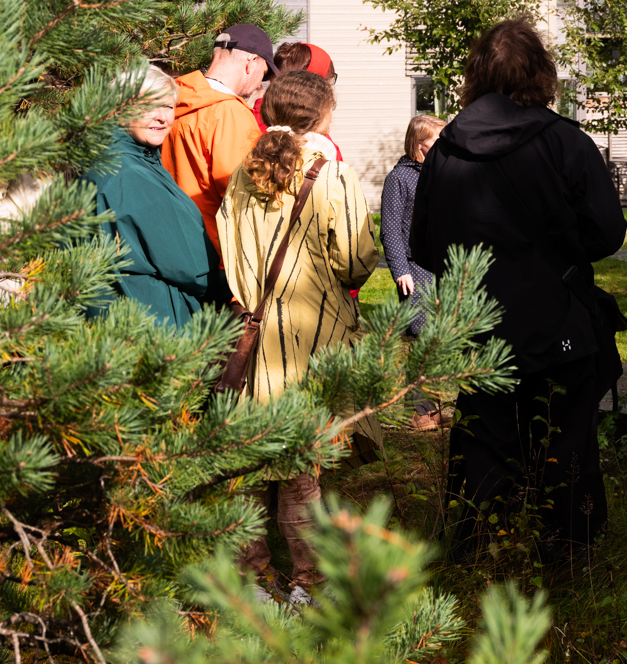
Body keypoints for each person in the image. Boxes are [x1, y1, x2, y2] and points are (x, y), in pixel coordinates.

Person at [409, 18, 627, 559]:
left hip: (481, 320)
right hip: (556, 321)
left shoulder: (446, 150)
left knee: (485, 439)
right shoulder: (565, 142)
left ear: (476, 74)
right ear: (541, 73)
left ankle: (478, 550)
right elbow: (607, 232)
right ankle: (568, 555)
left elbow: (424, 243)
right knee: (566, 438)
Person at [217, 69, 379, 601]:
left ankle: (253, 577)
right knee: (301, 471)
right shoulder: (331, 175)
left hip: (250, 336)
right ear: (324, 114)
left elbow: (229, 253)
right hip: (312, 340)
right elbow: (356, 263)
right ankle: (308, 582)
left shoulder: (243, 174)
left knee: (249, 463)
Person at [80, 64, 225, 327]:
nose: (162, 117)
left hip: (116, 321)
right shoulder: (130, 174)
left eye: (168, 107)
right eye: (149, 105)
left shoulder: (117, 160)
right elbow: (190, 267)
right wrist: (231, 290)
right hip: (152, 323)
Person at [165, 22, 275, 242]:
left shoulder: (171, 100)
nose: (258, 87)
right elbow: (245, 193)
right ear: (250, 62)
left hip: (170, 239)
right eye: (262, 75)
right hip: (214, 248)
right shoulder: (230, 113)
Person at [382, 112, 445, 430]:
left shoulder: (441, 175)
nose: (441, 146)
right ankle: (420, 413)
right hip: (414, 269)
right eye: (435, 140)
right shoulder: (399, 178)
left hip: (441, 269)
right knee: (421, 341)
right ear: (418, 143)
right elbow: (390, 228)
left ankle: (432, 406)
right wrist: (399, 270)